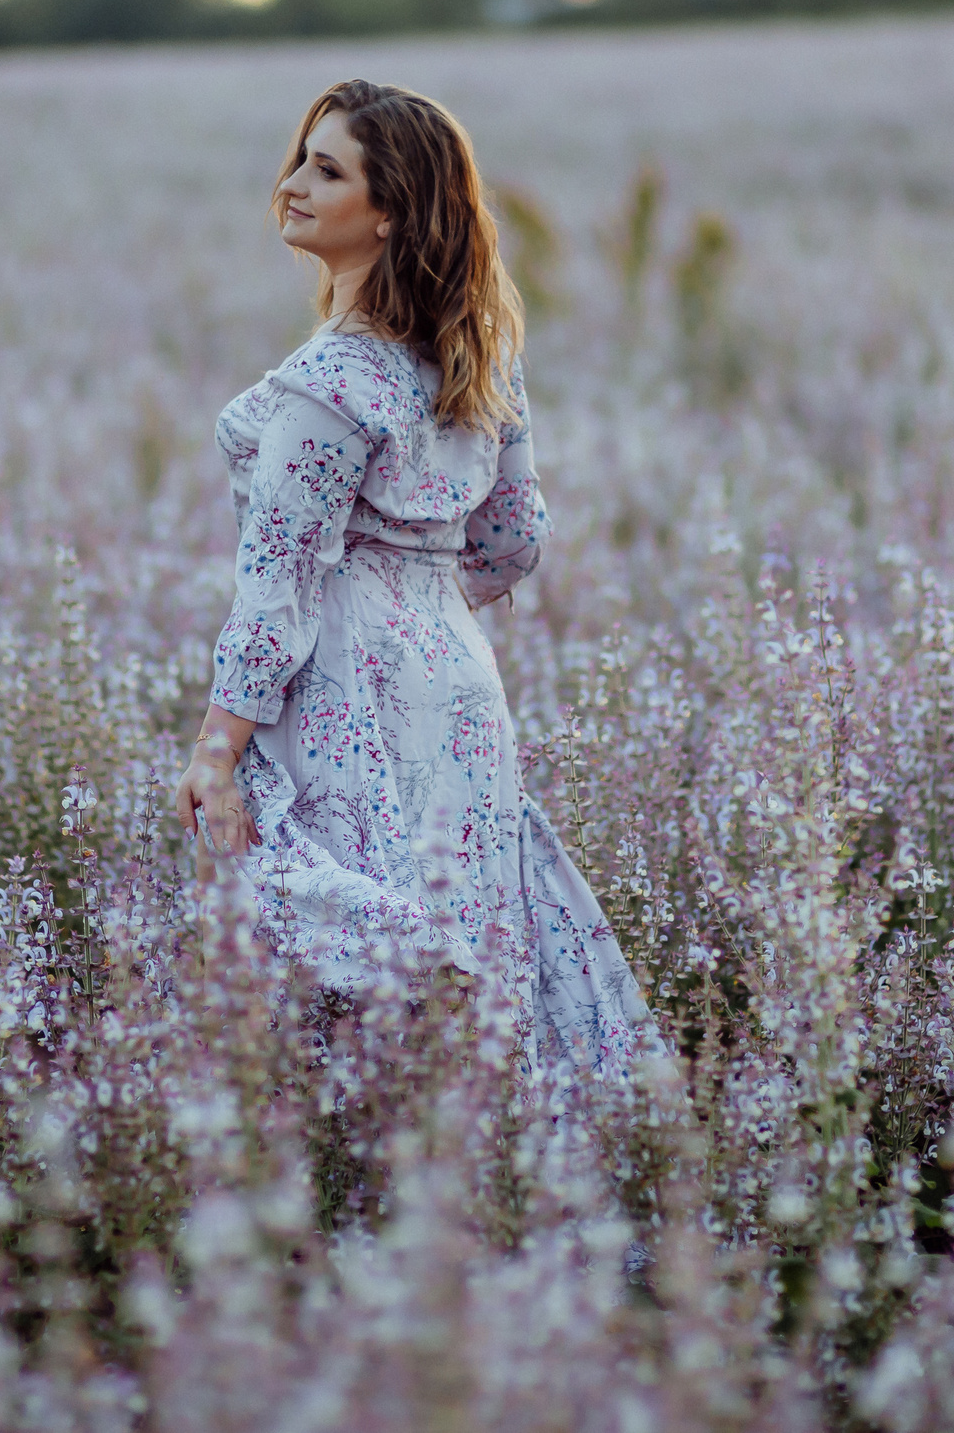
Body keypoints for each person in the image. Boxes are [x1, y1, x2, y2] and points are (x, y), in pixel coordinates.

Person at [171, 78, 653, 1082]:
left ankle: (358, 1158)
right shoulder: (479, 360)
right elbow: (514, 538)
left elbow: (279, 588)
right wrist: (422, 599)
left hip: (344, 688)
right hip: (462, 689)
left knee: (340, 972)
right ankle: (498, 1140)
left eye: (326, 171)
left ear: (388, 212)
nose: (292, 185)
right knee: (471, 923)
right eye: (301, 159)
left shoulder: (327, 387)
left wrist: (218, 752)